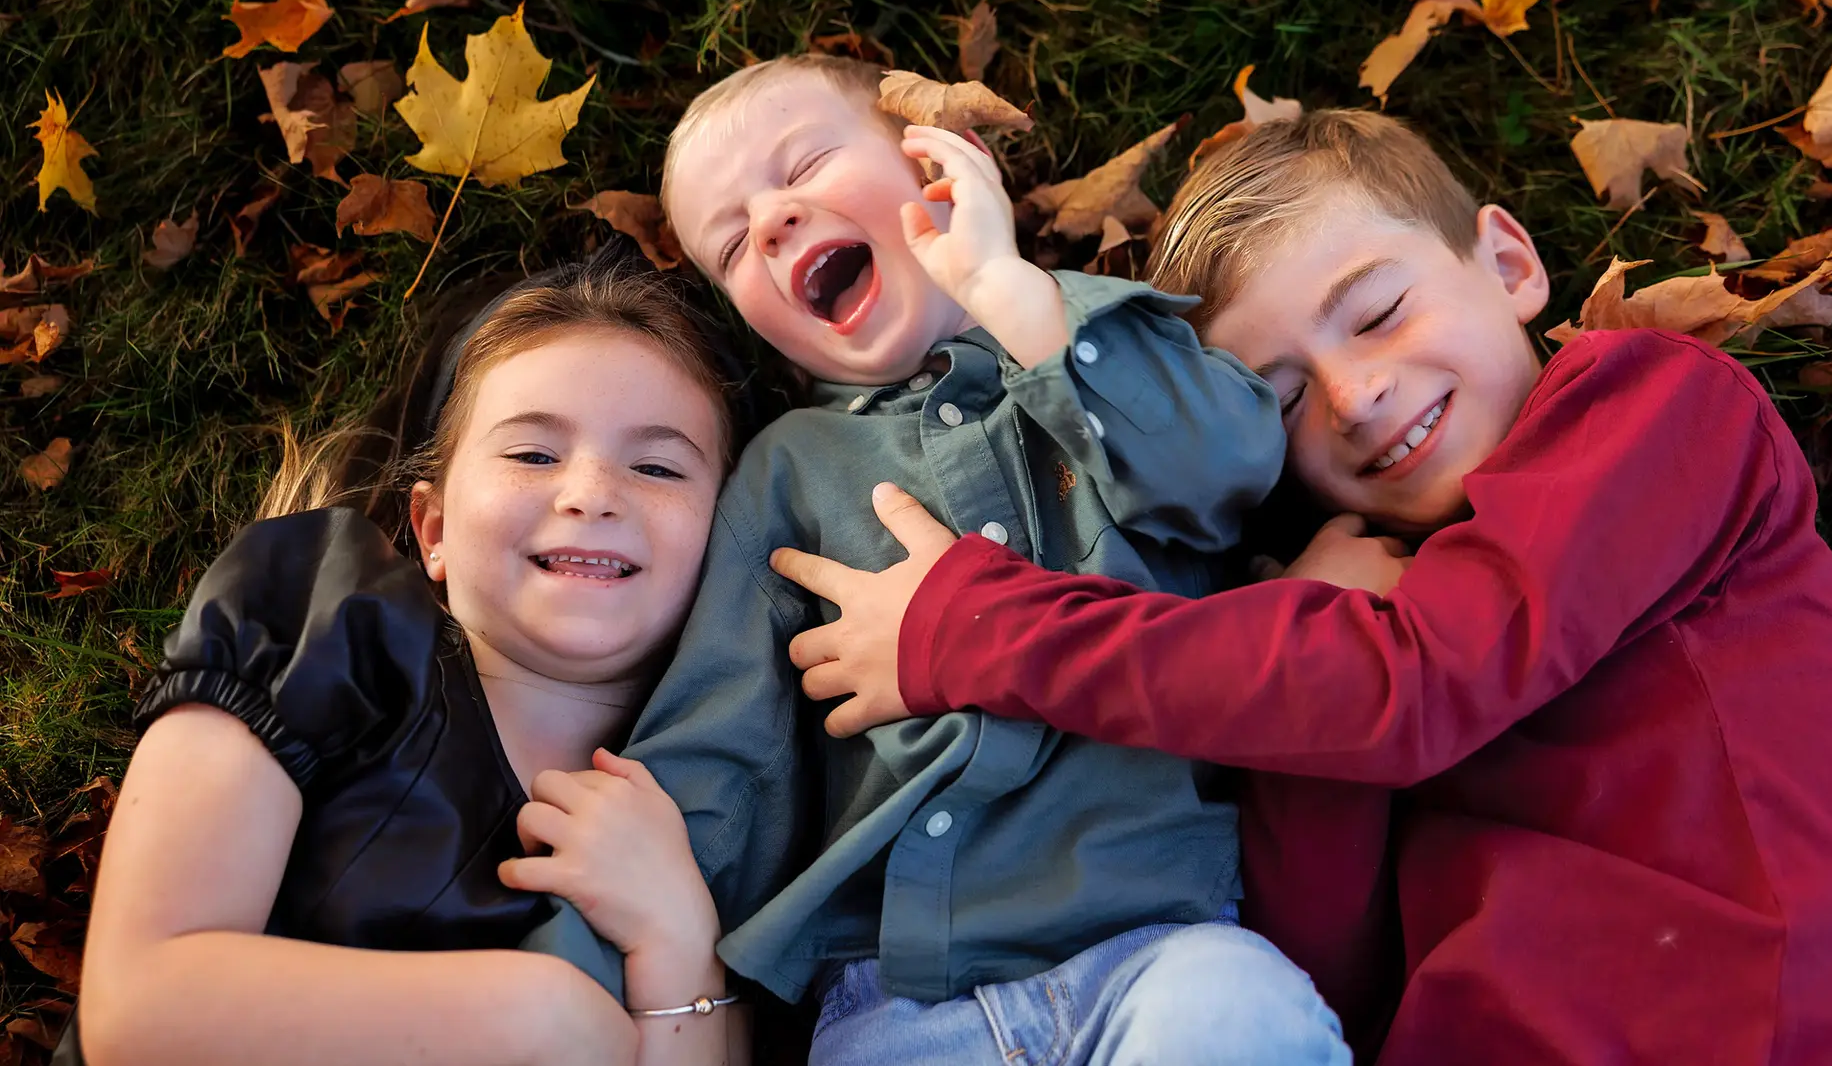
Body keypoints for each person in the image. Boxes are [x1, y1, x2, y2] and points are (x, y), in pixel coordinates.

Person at [769, 111, 1832, 1066]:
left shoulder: (1655, 409)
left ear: (1509, 264)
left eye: (1378, 313)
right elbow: (1317, 949)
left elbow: (1417, 690)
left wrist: (980, 629)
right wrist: (1306, 633)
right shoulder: (1335, 626)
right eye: (1279, 396)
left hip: (1737, 1025)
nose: (1356, 394)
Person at [529, 54, 1352, 1065]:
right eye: (733, 240)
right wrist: (617, 892)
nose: (776, 219)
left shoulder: (1095, 337)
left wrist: (1007, 287)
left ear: (936, 164)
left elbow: (1227, 462)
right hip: (900, 1003)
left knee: (1245, 1016)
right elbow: (724, 727)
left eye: (807, 164)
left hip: (1160, 946)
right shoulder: (791, 471)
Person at [66, 255, 749, 1066]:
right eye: (533, 455)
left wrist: (678, 935)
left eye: (658, 466)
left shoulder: (714, 797)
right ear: (432, 532)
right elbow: (139, 1005)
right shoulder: (325, 626)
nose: (592, 492)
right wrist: (542, 1022)